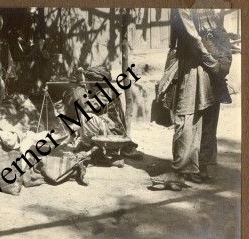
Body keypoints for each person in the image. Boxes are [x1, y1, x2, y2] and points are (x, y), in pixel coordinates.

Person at [153, 9, 232, 190]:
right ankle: (203, 169)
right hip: (212, 61)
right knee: (207, 111)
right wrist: (219, 63)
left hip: (197, 63)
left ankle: (180, 171)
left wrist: (212, 63)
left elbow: (193, 38)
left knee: (185, 114)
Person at [63, 66, 140, 166]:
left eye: (87, 81)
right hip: (106, 127)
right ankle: (88, 147)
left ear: (95, 82)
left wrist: (79, 88)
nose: (87, 85)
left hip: (113, 132)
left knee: (87, 117)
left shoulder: (107, 91)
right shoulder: (99, 91)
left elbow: (86, 107)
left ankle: (90, 148)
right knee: (77, 124)